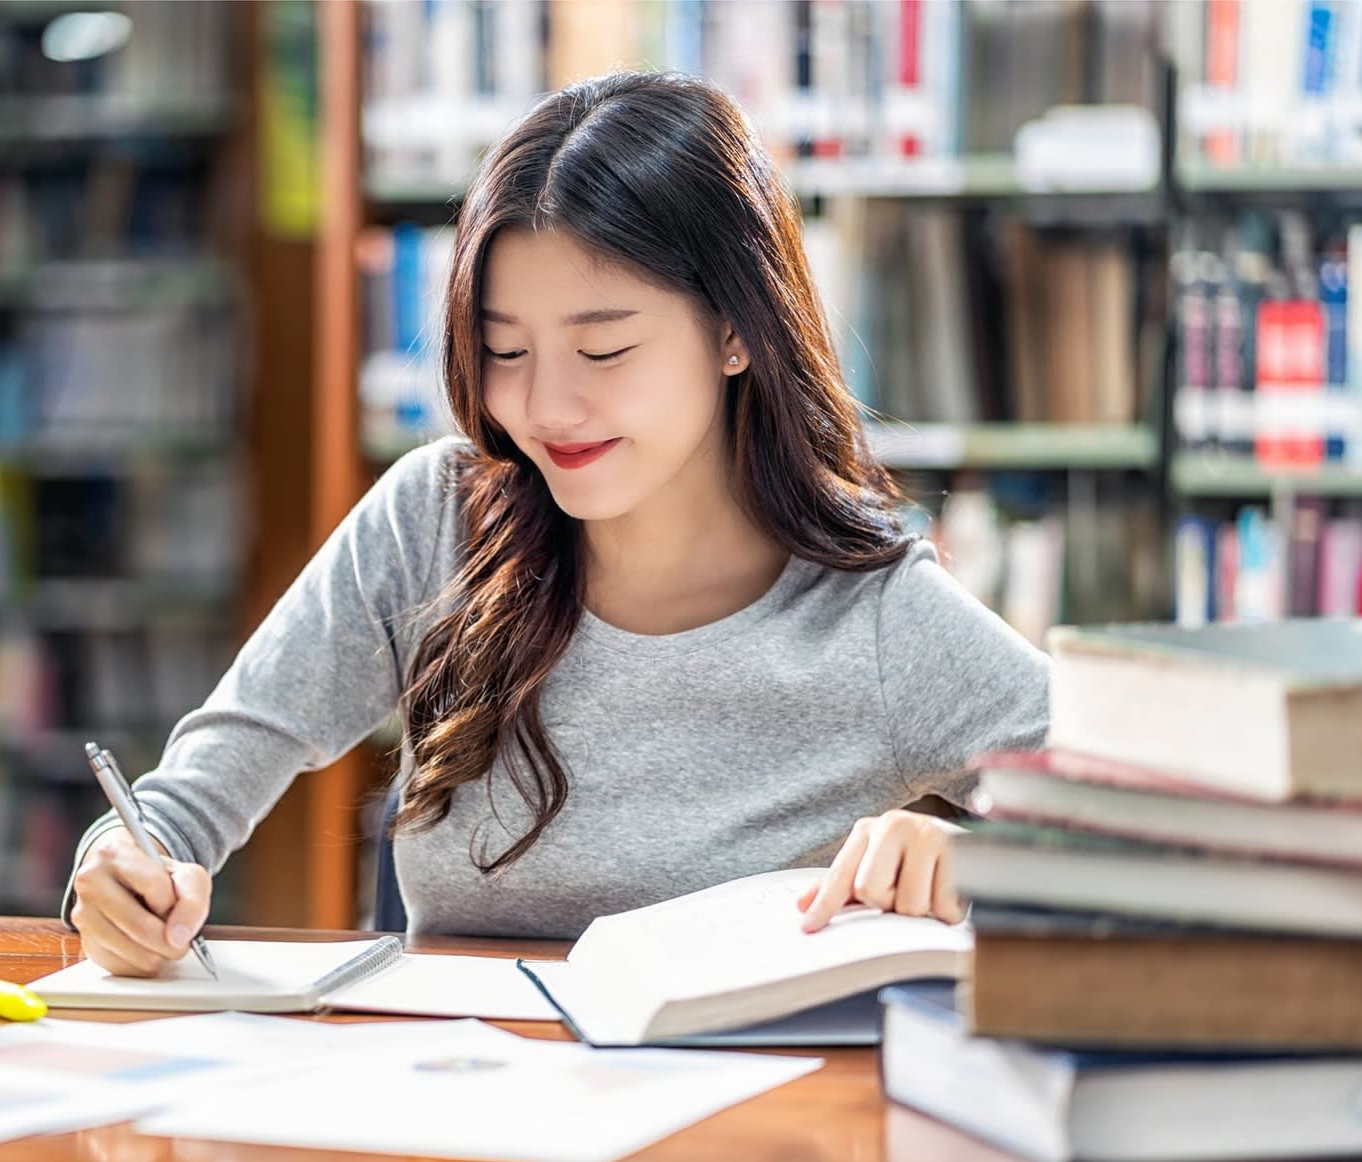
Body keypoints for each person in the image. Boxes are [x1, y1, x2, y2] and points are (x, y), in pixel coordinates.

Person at [65, 71, 1047, 977]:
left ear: (738, 331)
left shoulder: (875, 617)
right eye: (505, 350)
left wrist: (981, 859)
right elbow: (179, 807)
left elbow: (1163, 839)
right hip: (463, 1126)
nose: (546, 408)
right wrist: (123, 868)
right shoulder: (432, 524)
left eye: (604, 349)